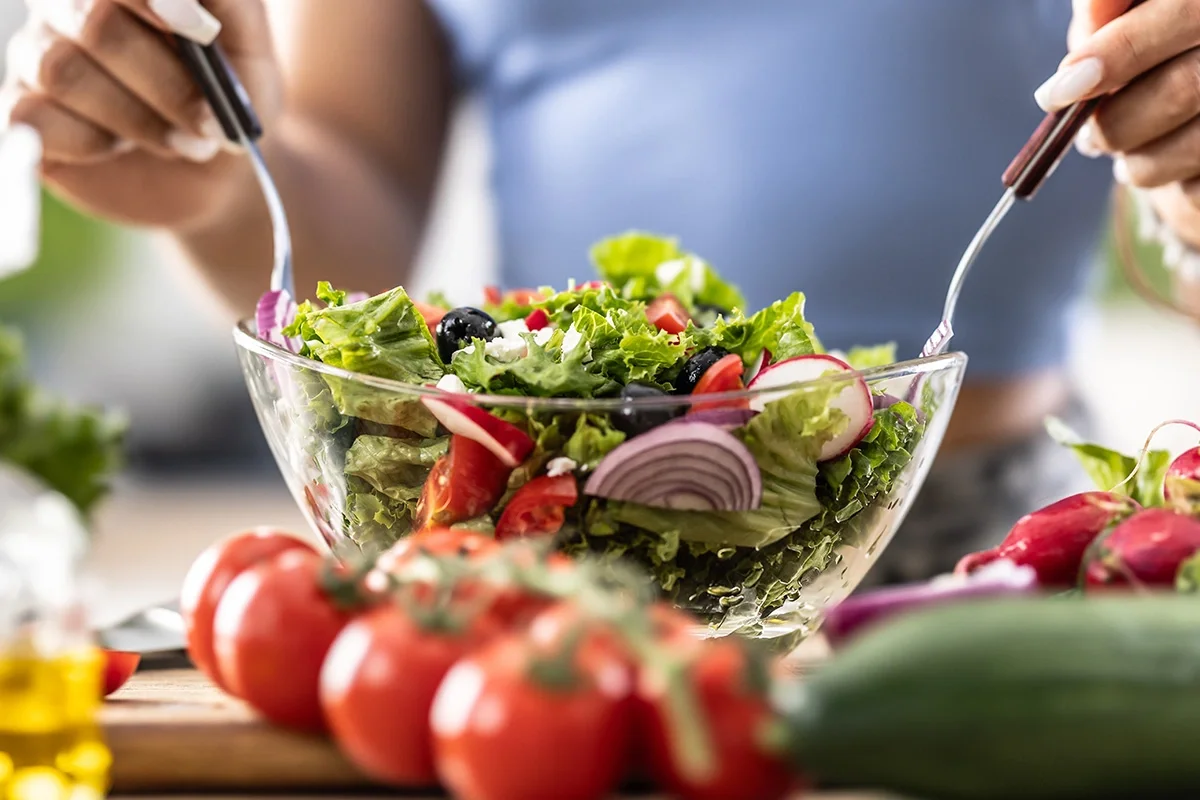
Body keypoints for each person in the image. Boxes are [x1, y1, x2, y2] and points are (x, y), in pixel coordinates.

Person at [5, 0, 1200, 583]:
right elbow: (352, 196)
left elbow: (1154, 108)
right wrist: (209, 186)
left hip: (991, 529)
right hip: (557, 539)